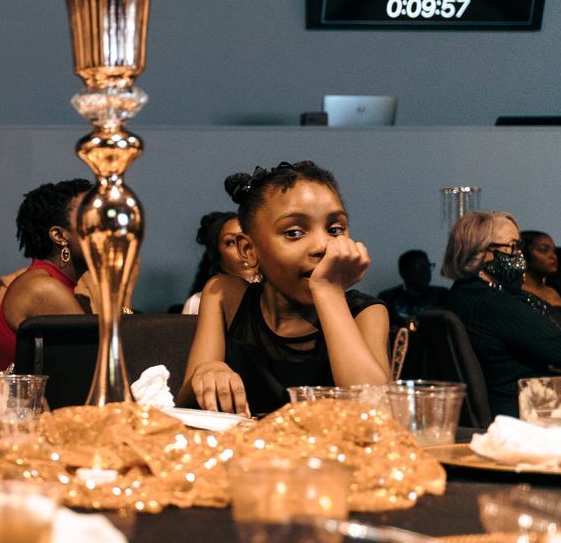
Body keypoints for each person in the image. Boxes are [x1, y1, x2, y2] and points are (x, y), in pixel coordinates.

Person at [182, 161, 390, 416]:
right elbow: (186, 405)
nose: (322, 246)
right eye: (294, 232)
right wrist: (207, 371)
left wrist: (328, 291)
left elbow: (378, 414)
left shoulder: (366, 313)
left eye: (335, 229)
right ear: (249, 250)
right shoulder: (225, 295)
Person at [440, 213, 561, 419]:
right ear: (480, 251)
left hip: (516, 404)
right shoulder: (493, 303)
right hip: (528, 409)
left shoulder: (462, 294)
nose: (519, 255)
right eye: (512, 246)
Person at [0, 179, 93, 370]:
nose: (106, 230)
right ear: (60, 236)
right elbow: (94, 367)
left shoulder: (47, 281)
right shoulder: (44, 288)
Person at [179, 210, 255, 316]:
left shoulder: (281, 299)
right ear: (215, 254)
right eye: (231, 242)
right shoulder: (197, 304)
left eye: (252, 239)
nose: (244, 249)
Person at [375, 248, 450, 325]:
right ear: (403, 271)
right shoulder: (388, 298)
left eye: (428, 266)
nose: (426, 271)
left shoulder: (441, 295)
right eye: (419, 266)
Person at [519, 230, 561, 325]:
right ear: (523, 254)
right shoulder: (518, 291)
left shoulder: (553, 293)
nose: (553, 256)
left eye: (554, 251)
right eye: (543, 250)